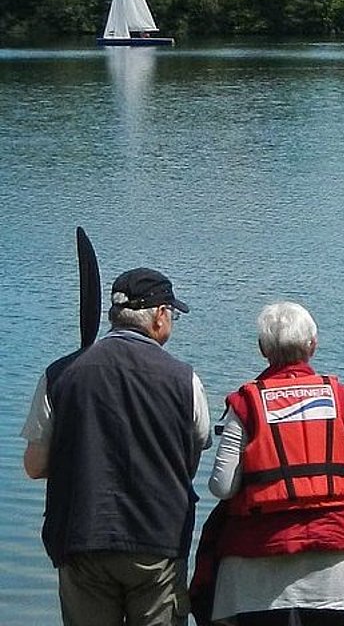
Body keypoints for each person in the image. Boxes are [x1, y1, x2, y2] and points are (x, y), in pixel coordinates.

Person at [23, 268, 210, 626]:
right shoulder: (184, 378)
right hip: (158, 541)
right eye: (172, 314)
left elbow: (34, 466)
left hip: (81, 536)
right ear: (159, 315)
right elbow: (191, 456)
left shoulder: (60, 374)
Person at [204, 302, 344, 626]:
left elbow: (222, 486)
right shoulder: (341, 398)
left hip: (257, 568)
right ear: (313, 345)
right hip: (336, 563)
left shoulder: (245, 403)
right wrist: (323, 488)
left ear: (262, 350)